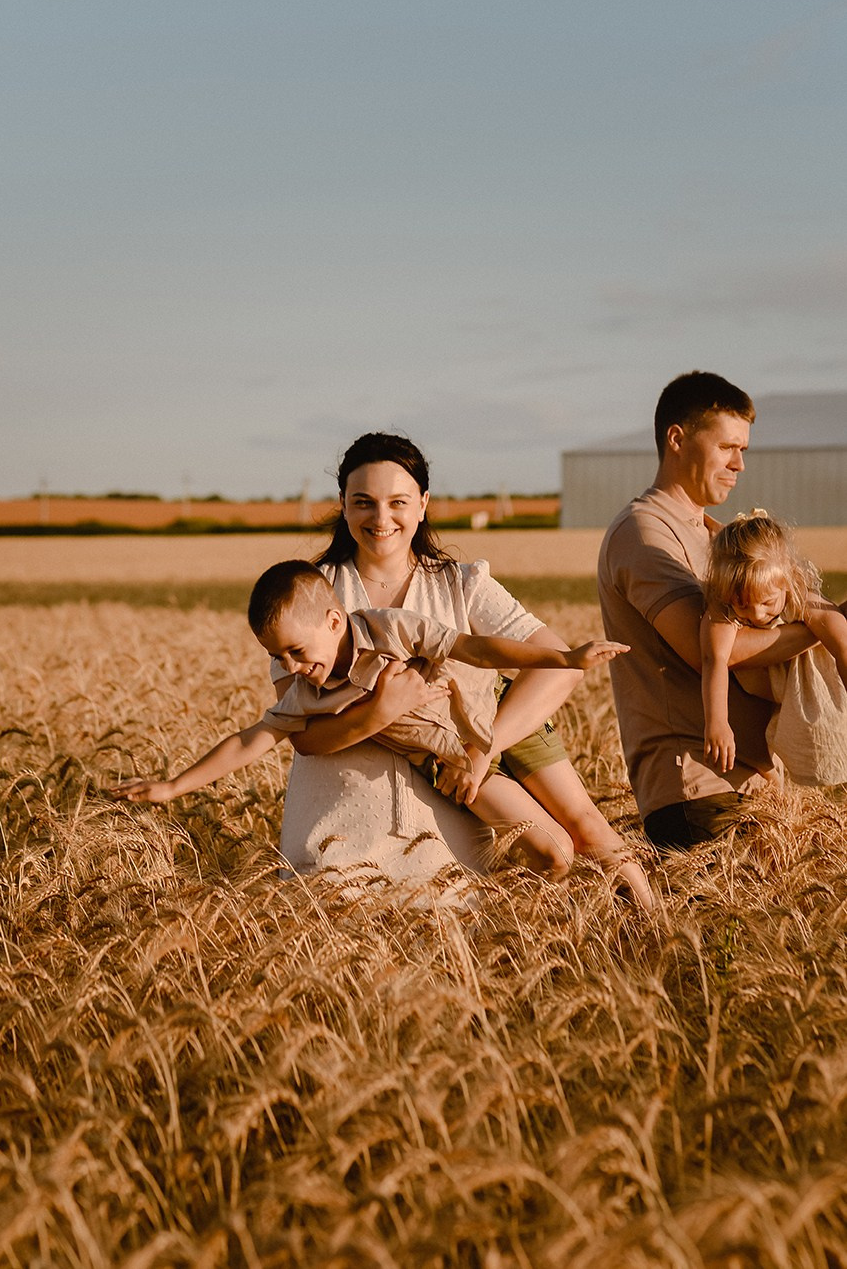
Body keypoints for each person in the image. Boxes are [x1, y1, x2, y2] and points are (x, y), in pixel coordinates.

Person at [270, 432, 654, 906]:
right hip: (338, 840)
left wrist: (480, 749)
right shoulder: (306, 596)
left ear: (424, 503)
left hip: (445, 847)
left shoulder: (462, 584)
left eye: (398, 501)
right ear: (343, 505)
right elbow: (303, 734)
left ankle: (652, 926)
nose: (381, 517)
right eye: (363, 502)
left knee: (581, 834)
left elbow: (557, 664)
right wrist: (381, 711)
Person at [112, 560, 630, 878]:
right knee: (555, 853)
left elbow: (472, 647)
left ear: (335, 620)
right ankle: (551, 932)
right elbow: (251, 739)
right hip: (449, 761)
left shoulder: (389, 629)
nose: (289, 667)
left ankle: (648, 910)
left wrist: (565, 658)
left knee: (587, 825)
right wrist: (173, 787)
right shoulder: (306, 694)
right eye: (278, 657)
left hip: (494, 717)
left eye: (295, 650)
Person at [598, 370, 821, 851]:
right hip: (699, 787)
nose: (740, 464)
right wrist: (819, 628)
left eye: (744, 450)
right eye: (727, 447)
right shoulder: (645, 532)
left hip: (749, 788)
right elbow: (715, 651)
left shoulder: (717, 534)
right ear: (677, 439)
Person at [702, 510, 847, 786]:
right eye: (742, 605)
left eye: (767, 602)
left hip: (805, 687)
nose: (756, 614)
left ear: (788, 579)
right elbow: (714, 659)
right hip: (757, 695)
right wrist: (717, 722)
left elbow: (841, 643)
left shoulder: (800, 594)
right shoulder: (721, 607)